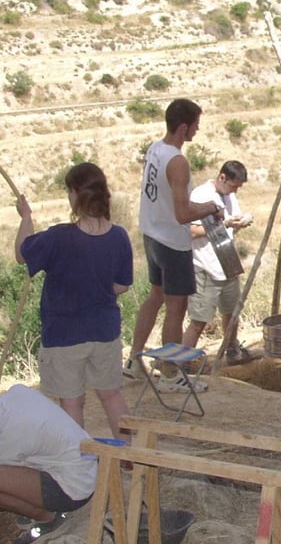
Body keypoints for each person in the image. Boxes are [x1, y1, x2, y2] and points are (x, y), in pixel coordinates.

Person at [15, 162, 134, 438]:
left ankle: (77, 465)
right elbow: (122, 285)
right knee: (111, 395)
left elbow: (23, 254)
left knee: (72, 402)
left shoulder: (58, 237)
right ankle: (131, 456)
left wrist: (25, 218)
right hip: (104, 332)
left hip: (65, 335)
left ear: (76, 194)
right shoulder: (119, 236)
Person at [124, 98, 222, 392]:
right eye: (195, 125)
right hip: (172, 242)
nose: (197, 130)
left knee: (155, 297)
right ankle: (170, 374)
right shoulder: (177, 161)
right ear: (183, 127)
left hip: (152, 234)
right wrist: (211, 207)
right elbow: (183, 214)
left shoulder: (155, 149)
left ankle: (133, 362)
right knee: (176, 307)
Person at [0, 384, 98, 544]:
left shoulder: (12, 435)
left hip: (73, 489)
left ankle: (49, 519)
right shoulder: (16, 394)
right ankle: (32, 505)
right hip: (84, 467)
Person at [181, 160, 254, 363]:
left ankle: (232, 350)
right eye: (233, 186)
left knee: (232, 313)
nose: (235, 191)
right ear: (222, 177)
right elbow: (191, 231)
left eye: (238, 187)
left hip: (227, 262)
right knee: (199, 321)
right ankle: (181, 364)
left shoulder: (229, 197)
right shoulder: (200, 195)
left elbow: (228, 228)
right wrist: (224, 225)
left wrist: (238, 224)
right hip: (206, 267)